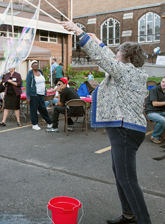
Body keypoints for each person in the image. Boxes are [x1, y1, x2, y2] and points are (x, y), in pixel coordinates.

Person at [62, 21, 151, 224]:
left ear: (127, 58)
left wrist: (79, 32)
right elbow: (110, 57)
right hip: (124, 129)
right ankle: (129, 214)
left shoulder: (126, 72)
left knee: (127, 178)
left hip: (125, 129)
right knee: (121, 175)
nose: (115, 54)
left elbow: (105, 59)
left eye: (118, 52)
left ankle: (144, 220)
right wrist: (99, 41)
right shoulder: (128, 70)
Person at [26, 60, 52, 130]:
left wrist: (45, 92)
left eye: (36, 64)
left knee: (43, 108)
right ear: (31, 66)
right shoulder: (30, 74)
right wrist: (28, 97)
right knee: (33, 109)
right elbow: (28, 86)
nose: (35, 65)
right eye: (33, 64)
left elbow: (43, 83)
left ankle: (49, 122)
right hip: (34, 94)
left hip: (41, 94)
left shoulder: (40, 72)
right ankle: (34, 124)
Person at [145, 77, 165, 144]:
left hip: (162, 111)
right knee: (162, 120)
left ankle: (163, 132)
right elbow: (155, 104)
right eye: (163, 82)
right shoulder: (154, 90)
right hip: (152, 111)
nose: (163, 84)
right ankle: (154, 136)